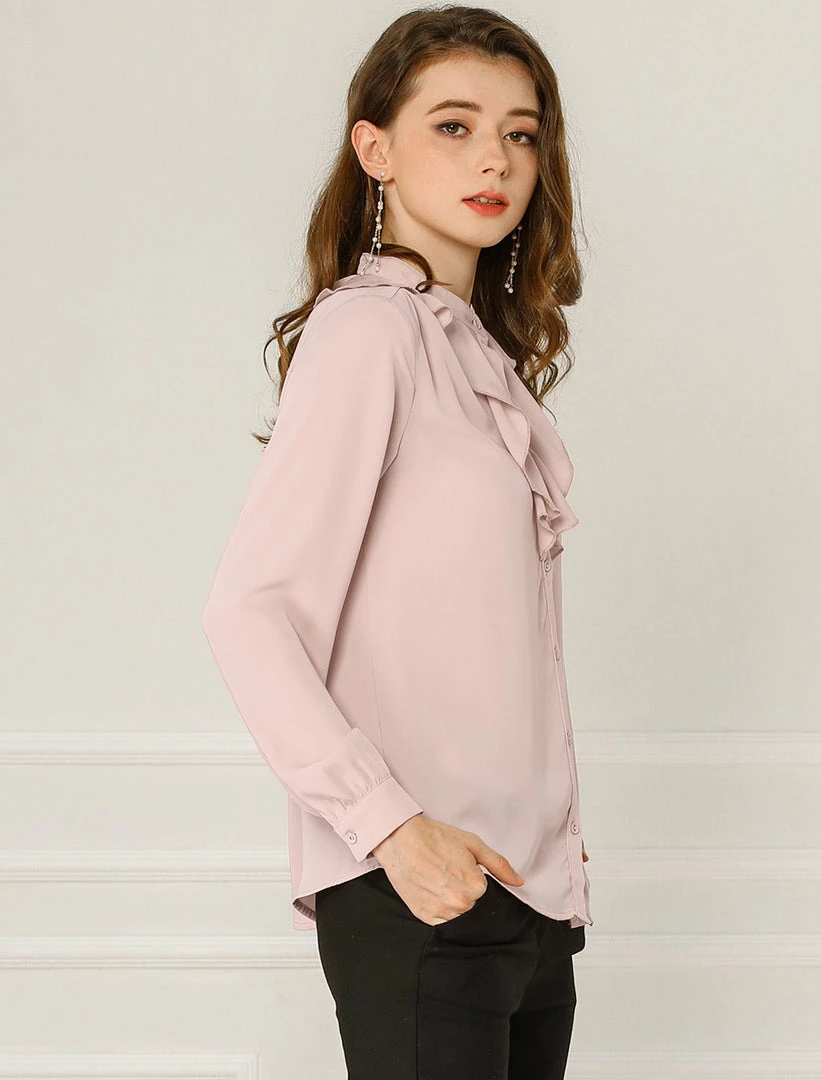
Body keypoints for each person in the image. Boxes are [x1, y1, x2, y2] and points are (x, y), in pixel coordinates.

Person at [201, 6, 593, 1077]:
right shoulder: (369, 331)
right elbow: (250, 613)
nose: (493, 159)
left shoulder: (479, 357)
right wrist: (387, 828)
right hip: (418, 889)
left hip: (526, 895)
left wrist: (556, 857)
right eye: (453, 126)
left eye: (519, 133)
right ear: (374, 149)